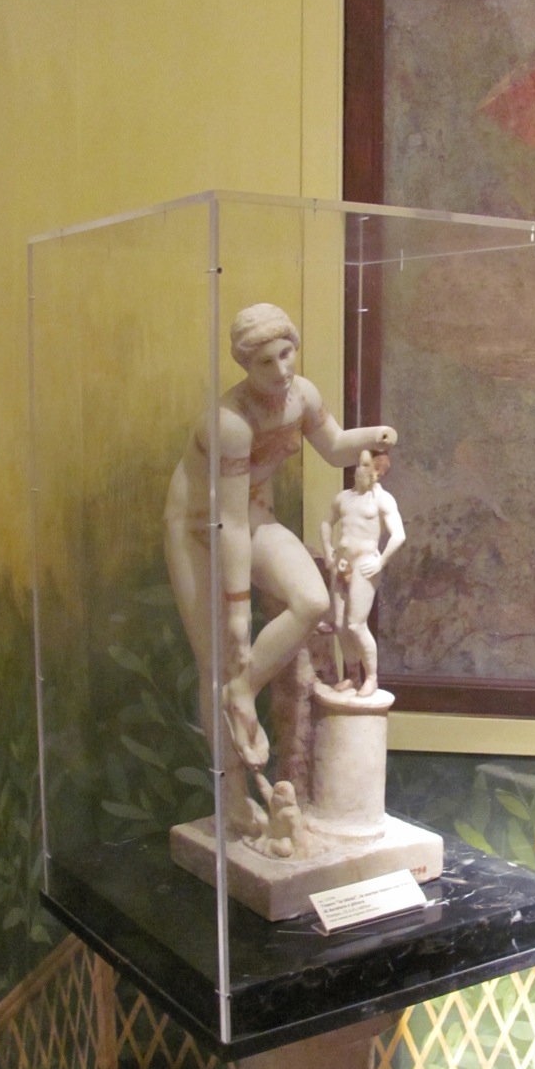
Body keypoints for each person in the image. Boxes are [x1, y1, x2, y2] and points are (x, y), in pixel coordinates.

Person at [164, 303, 397, 781]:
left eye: (286, 354)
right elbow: (227, 523)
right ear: (245, 366)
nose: (280, 369)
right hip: (196, 527)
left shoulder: (302, 396)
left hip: (251, 514)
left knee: (311, 600)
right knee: (216, 660)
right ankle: (232, 801)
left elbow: (335, 448)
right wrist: (238, 612)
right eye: (265, 362)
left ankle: (243, 691)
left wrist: (373, 437)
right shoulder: (231, 422)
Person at [320, 449, 405, 697]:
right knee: (340, 624)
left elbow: (399, 535)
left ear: (377, 471)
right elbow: (326, 523)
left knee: (356, 624)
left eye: (366, 465)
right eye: (359, 464)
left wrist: (381, 561)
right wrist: (328, 552)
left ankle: (372, 678)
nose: (360, 470)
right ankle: (352, 675)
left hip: (365, 563)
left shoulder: (383, 499)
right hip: (342, 562)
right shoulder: (344, 498)